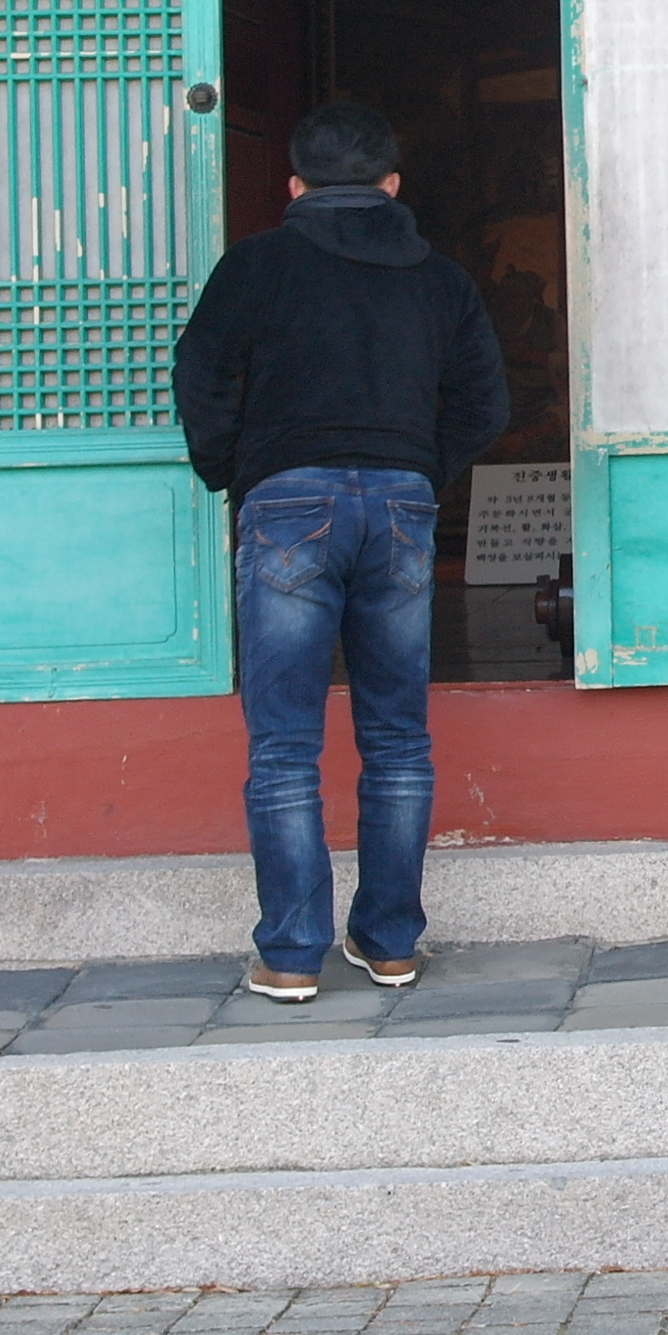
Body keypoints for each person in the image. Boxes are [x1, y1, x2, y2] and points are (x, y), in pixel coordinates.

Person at [170, 100, 508, 1005]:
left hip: (288, 500)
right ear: (392, 185)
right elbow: (485, 403)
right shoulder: (441, 280)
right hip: (399, 503)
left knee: (285, 743)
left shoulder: (255, 265)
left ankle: (290, 954)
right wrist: (417, 469)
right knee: (397, 738)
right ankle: (390, 944)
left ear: (294, 187)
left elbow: (201, 374)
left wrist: (236, 469)